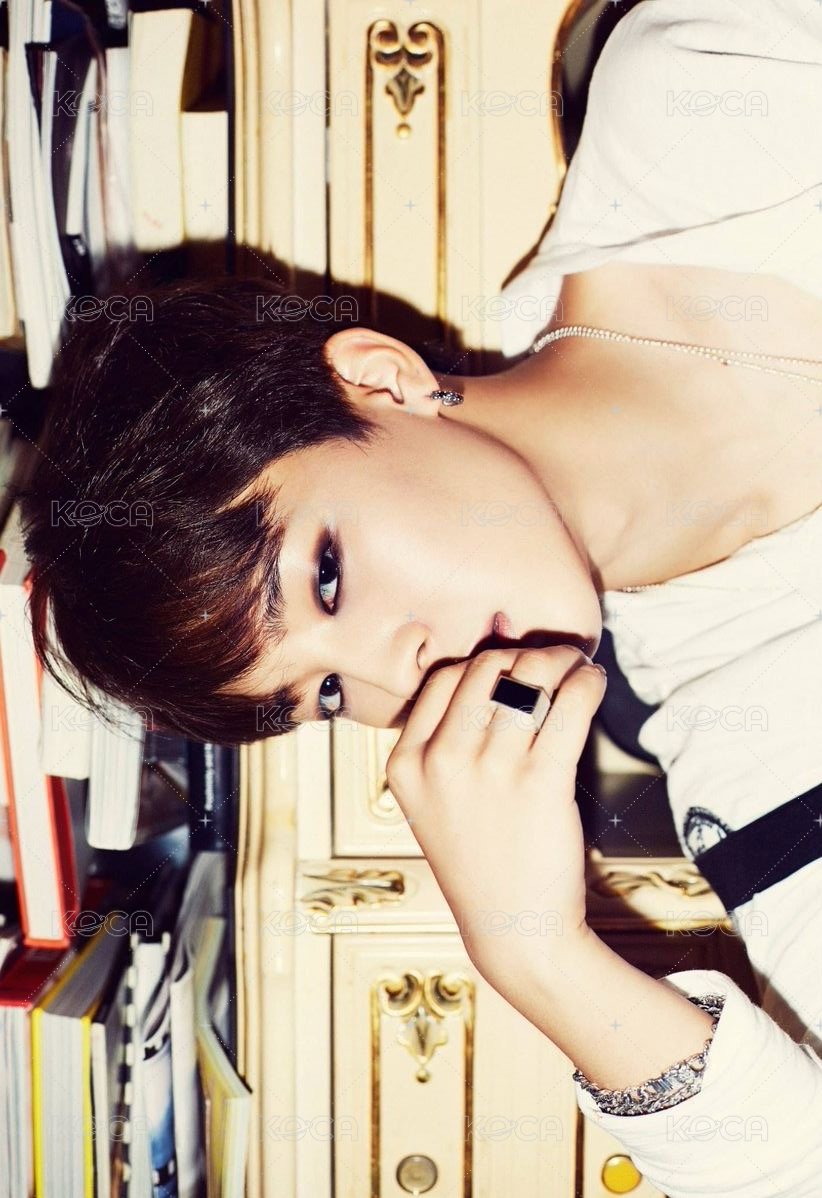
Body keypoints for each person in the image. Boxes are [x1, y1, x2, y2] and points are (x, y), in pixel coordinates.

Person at [16, 0, 822, 1192]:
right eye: (329, 693)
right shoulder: (755, 772)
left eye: (325, 574)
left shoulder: (709, 107)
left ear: (381, 381)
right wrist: (542, 960)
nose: (399, 672)